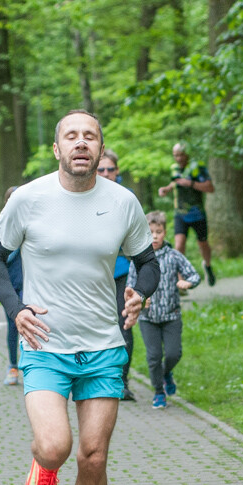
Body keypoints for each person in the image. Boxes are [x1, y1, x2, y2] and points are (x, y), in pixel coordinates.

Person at [0, 109, 160, 485]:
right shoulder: (30, 199)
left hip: (104, 347)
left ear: (100, 149)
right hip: (44, 344)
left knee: (94, 457)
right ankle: (43, 463)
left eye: (91, 136)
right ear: (57, 149)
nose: (82, 143)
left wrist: (139, 293)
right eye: (71, 136)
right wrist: (15, 308)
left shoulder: (123, 202)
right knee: (57, 446)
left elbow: (147, 264)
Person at [128, 211, 201, 409]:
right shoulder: (139, 260)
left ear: (165, 232)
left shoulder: (173, 256)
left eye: (158, 232)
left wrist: (187, 283)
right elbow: (131, 287)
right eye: (150, 232)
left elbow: (194, 275)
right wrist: (140, 299)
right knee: (153, 357)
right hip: (148, 318)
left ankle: (166, 372)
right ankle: (159, 392)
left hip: (171, 316)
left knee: (173, 354)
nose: (155, 236)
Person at [97, 149, 136, 400]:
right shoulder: (83, 193)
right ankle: (96, 376)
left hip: (121, 269)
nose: (106, 174)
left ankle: (122, 381)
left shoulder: (126, 198)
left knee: (124, 325)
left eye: (110, 169)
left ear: (117, 171)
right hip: (91, 272)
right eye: (101, 170)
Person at [157, 142, 216, 286]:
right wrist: (166, 189)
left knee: (203, 244)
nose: (178, 158)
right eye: (175, 155)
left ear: (187, 154)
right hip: (180, 213)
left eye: (181, 155)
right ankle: (180, 280)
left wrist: (191, 184)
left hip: (197, 213)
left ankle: (207, 265)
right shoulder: (174, 168)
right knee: (179, 244)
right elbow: (175, 182)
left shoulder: (197, 167)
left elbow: (210, 188)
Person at [0, 186, 22, 387]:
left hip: (32, 285)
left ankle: (33, 366)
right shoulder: (0, 227)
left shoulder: (34, 224)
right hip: (10, 286)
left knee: (33, 324)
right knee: (13, 327)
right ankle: (13, 366)